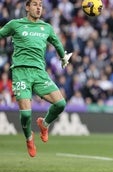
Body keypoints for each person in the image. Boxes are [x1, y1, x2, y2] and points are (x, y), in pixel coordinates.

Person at [0, 0, 72, 157]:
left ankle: (44, 124)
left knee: (60, 103)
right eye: (34, 4)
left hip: (39, 73)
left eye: (40, 5)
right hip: (21, 72)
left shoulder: (46, 27)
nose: (38, 7)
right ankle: (29, 138)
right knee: (26, 114)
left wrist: (63, 57)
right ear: (27, 7)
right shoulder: (15, 24)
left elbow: (57, 43)